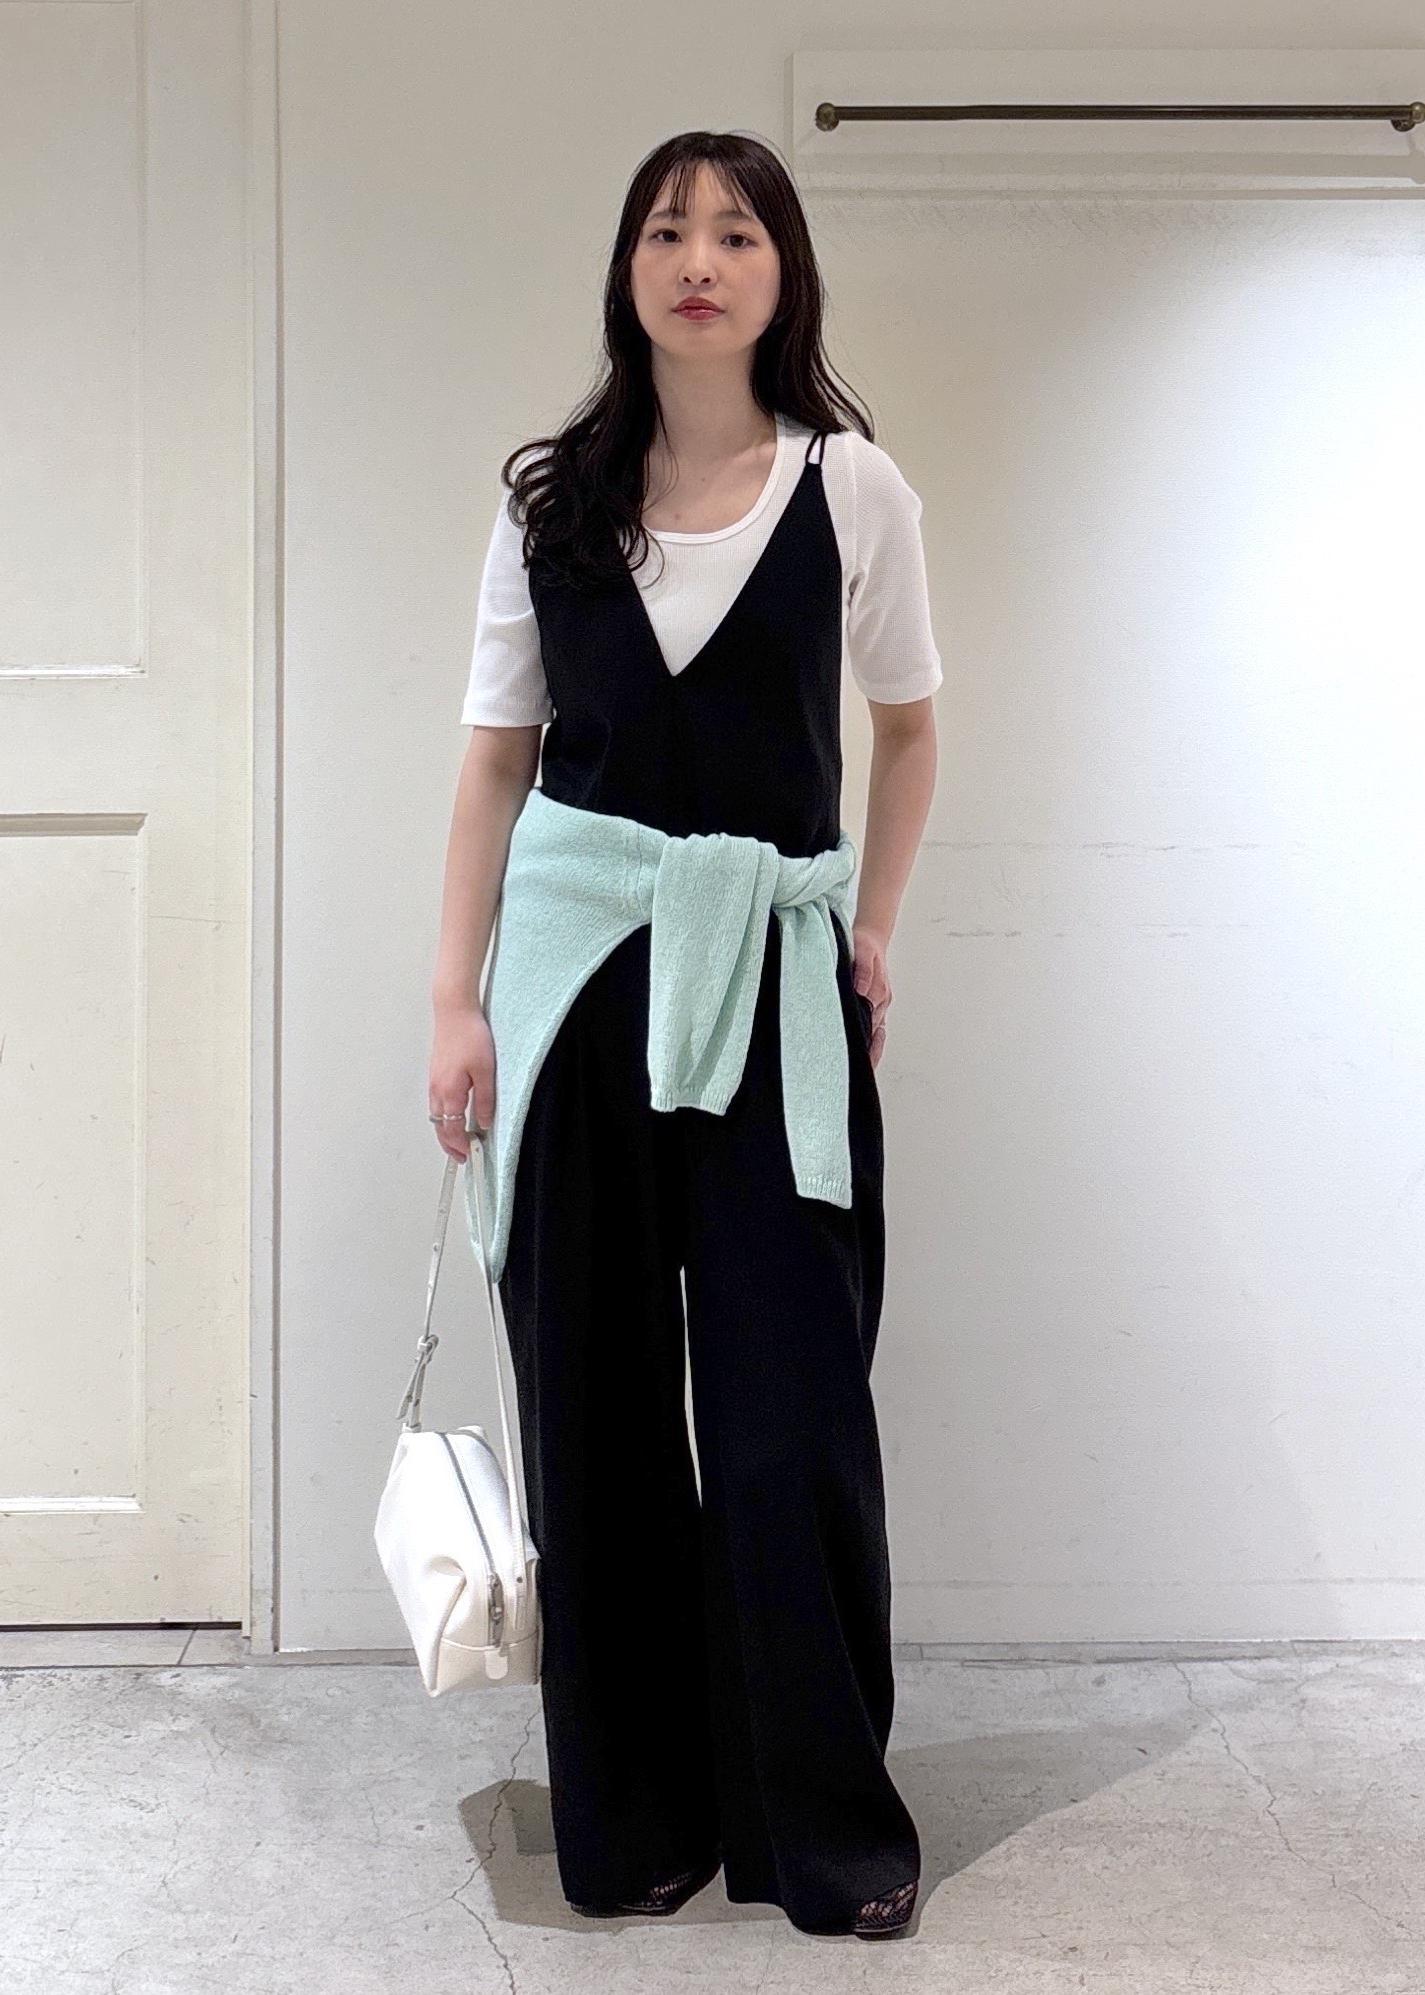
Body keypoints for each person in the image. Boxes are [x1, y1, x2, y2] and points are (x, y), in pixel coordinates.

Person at [428, 129, 941, 1941]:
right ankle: (637, 1819)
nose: (699, 259)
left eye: (735, 232)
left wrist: (868, 929)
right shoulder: (550, 502)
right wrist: (452, 1005)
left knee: (791, 1419)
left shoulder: (851, 487)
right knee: (597, 1418)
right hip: (573, 995)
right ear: (627, 269)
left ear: (782, 272)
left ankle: (823, 1834)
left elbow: (909, 729)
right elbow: (495, 765)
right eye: (667, 230)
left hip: (777, 992)